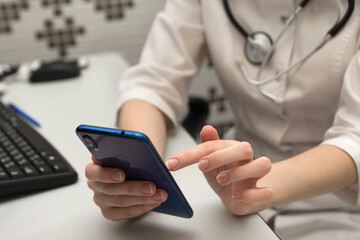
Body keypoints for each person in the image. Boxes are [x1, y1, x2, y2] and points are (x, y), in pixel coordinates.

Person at [85, 0, 360, 239]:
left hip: (340, 207)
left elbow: (355, 136)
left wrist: (254, 187)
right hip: (227, 194)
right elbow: (153, 84)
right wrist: (137, 171)